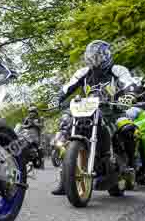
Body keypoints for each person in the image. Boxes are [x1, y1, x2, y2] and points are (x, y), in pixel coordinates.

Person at [52, 40, 135, 195]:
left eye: (98, 57)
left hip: (112, 110)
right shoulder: (83, 72)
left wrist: (129, 94)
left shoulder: (117, 70)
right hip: (86, 109)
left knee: (128, 129)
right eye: (92, 57)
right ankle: (66, 179)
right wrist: (55, 100)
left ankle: (130, 167)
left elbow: (128, 83)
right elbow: (66, 88)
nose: (95, 60)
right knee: (65, 127)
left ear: (106, 56)